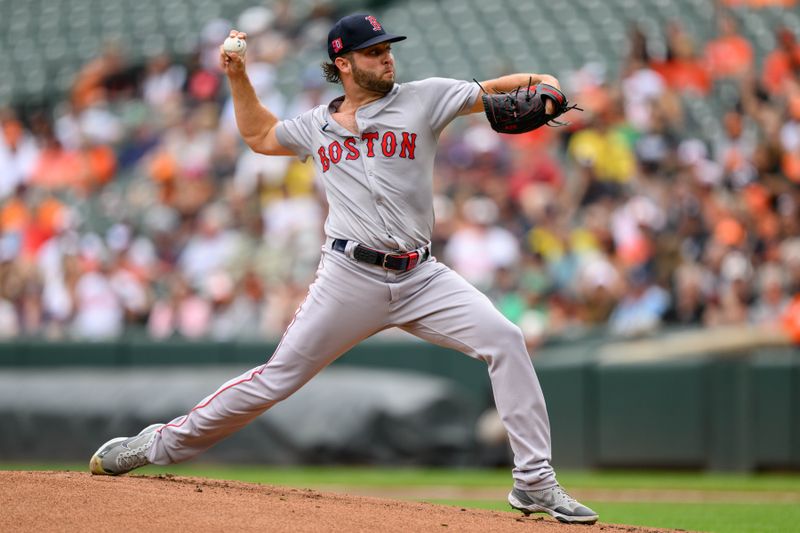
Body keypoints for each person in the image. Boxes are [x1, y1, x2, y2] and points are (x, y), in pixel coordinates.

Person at [89, 14, 598, 525]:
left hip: (422, 275)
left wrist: (549, 86)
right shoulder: (317, 125)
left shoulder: (425, 97)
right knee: (275, 380)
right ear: (344, 63)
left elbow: (499, 88)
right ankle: (155, 445)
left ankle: (533, 483)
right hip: (349, 276)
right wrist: (238, 77)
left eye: (387, 49)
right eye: (374, 51)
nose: (387, 57)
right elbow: (261, 134)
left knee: (505, 339)